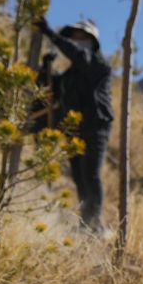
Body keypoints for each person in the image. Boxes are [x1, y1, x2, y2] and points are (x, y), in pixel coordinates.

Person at [36, 17, 113, 231]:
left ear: (91, 39)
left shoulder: (99, 63)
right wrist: (46, 68)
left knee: (91, 174)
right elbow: (54, 87)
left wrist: (51, 34)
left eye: (80, 35)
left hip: (96, 125)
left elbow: (79, 56)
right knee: (79, 175)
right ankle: (85, 222)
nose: (75, 39)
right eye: (73, 35)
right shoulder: (72, 73)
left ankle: (94, 223)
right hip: (74, 127)